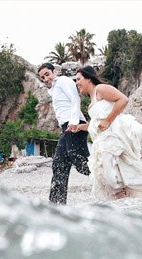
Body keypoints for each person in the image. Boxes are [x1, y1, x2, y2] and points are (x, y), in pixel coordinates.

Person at [68, 66, 142, 200]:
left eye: (79, 79)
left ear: (88, 78)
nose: (77, 83)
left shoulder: (100, 89)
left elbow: (123, 100)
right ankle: (126, 195)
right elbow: (97, 125)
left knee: (111, 176)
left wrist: (108, 121)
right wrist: (80, 127)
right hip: (104, 139)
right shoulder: (91, 103)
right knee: (110, 174)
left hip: (115, 136)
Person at [37, 63, 90, 205]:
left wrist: (73, 122)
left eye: (47, 74)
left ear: (54, 71)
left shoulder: (63, 81)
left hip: (74, 125)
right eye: (42, 77)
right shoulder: (53, 90)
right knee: (59, 164)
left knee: (80, 161)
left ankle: (109, 179)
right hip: (65, 128)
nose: (46, 79)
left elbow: (75, 99)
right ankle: (56, 205)